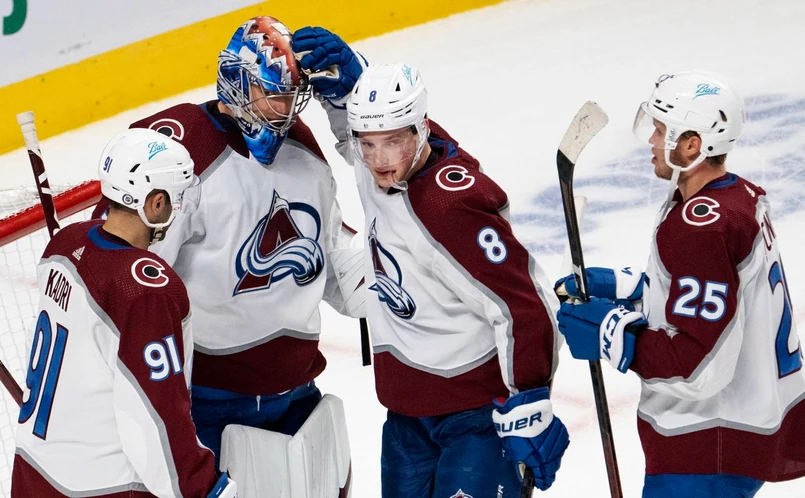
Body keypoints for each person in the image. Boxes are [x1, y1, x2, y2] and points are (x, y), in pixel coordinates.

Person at [293, 26, 569, 496]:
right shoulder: (381, 166)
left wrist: (530, 399)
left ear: (420, 130)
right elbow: (357, 135)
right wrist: (352, 85)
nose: (379, 160)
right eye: (368, 144)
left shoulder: (450, 206)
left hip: (476, 417)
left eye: (393, 142)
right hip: (406, 415)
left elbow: (522, 304)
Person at [114, 16, 364, 466]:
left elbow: (332, 261)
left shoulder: (302, 151)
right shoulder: (178, 153)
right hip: (207, 408)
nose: (284, 111)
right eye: (273, 95)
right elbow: (128, 276)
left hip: (299, 399)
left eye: (292, 96)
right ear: (236, 81)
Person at [555, 70, 805, 497]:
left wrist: (612, 333)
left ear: (692, 145)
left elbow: (697, 366)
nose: (652, 141)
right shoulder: (734, 198)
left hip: (708, 443)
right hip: (728, 433)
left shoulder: (701, 227)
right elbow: (721, 298)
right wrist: (628, 289)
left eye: (660, 130)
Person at [12, 129, 235, 497]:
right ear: (156, 203)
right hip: (103, 486)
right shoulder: (145, 290)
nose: (181, 208)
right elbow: (154, 415)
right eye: (177, 198)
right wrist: (203, 488)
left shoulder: (65, 244)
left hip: (33, 472)